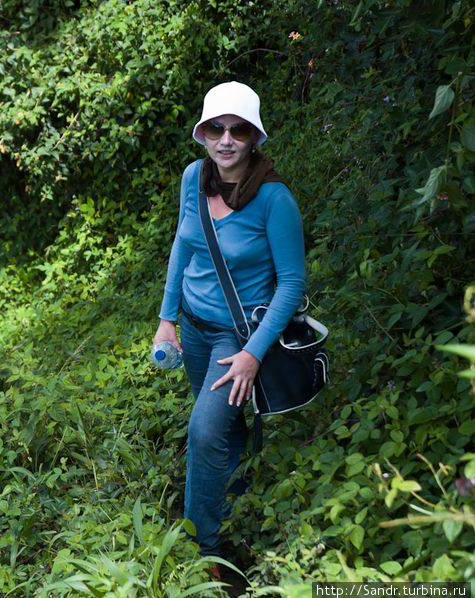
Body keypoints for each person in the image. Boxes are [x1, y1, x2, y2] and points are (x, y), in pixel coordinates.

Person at [154, 81, 306, 563]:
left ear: (255, 137)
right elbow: (182, 244)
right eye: (215, 128)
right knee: (222, 425)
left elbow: (291, 284)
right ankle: (240, 499)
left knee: (203, 432)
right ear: (201, 133)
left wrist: (252, 354)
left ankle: (203, 549)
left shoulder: (274, 200)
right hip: (194, 332)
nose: (226, 139)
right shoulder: (192, 178)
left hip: (236, 338)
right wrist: (166, 319)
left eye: (238, 130)